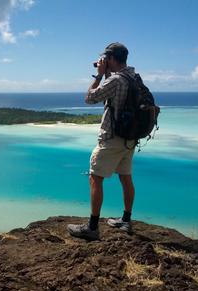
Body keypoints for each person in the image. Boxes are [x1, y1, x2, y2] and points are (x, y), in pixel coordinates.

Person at [67, 42, 137, 240]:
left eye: (106, 59)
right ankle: (126, 219)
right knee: (125, 177)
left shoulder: (114, 80)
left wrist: (99, 75)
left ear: (112, 58)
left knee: (95, 178)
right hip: (129, 139)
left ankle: (92, 227)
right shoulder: (133, 77)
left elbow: (90, 98)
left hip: (111, 139)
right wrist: (107, 73)